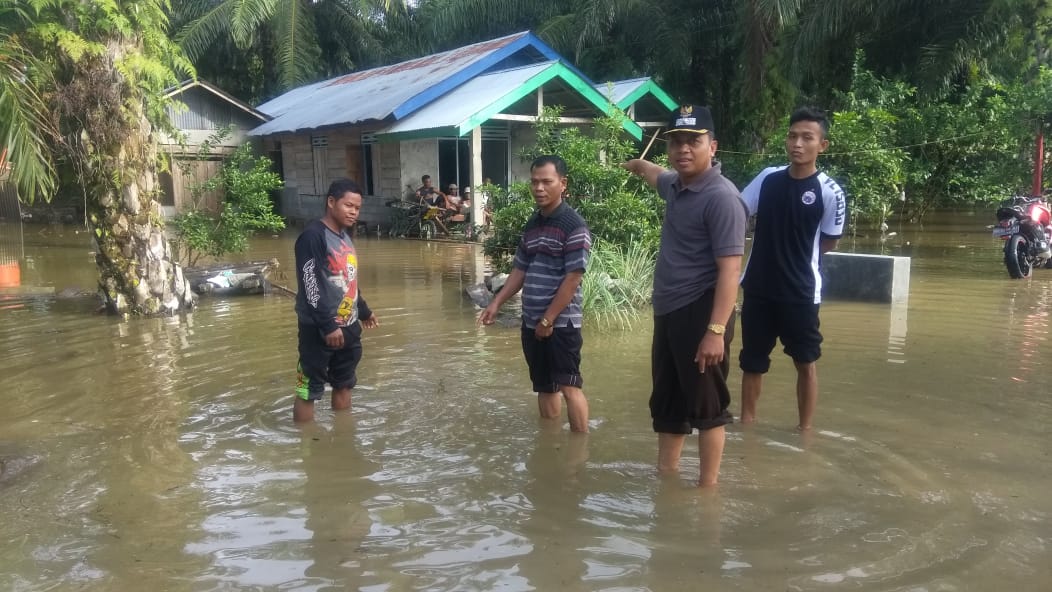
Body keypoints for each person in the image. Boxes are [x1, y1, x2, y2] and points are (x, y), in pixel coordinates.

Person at [622, 104, 747, 487]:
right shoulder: (677, 185)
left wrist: (715, 330)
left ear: (713, 146)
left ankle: (708, 490)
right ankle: (667, 478)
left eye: (693, 141)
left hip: (703, 311)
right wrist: (633, 165)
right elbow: (654, 173)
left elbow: (730, 271)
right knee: (669, 403)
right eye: (676, 141)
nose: (683, 149)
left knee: (708, 407)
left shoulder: (722, 198)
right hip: (670, 311)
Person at [738, 106, 846, 431]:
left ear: (822, 146)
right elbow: (737, 213)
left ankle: (805, 432)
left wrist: (796, 260)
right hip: (758, 288)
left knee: (806, 362)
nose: (797, 143)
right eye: (792, 136)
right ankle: (746, 426)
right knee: (752, 363)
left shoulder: (830, 192)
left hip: (800, 292)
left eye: (807, 138)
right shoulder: (767, 179)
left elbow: (828, 242)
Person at [477, 155, 592, 433]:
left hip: (561, 323)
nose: (539, 188)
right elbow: (520, 269)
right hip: (531, 321)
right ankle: (550, 443)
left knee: (568, 385)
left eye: (546, 182)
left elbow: (573, 278)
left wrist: (548, 320)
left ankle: (579, 450)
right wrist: (496, 302)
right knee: (544, 385)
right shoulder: (533, 223)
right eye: (534, 182)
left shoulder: (574, 226)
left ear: (562, 184)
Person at [293, 178, 381, 423]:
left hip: (349, 326)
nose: (354, 212)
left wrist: (363, 311)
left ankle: (343, 439)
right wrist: (327, 325)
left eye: (357, 208)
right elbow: (310, 285)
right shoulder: (313, 236)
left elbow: (348, 280)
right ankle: (308, 447)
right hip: (319, 330)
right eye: (348, 205)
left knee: (344, 384)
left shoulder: (344, 236)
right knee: (308, 390)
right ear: (331, 202)